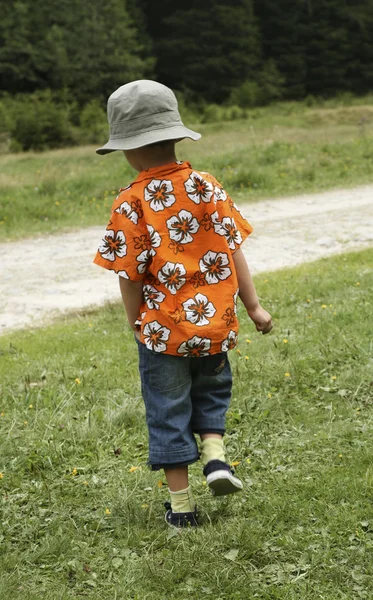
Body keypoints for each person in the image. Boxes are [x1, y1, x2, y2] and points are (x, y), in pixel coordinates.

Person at [94, 80, 272, 527]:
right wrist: (253, 308)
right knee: (212, 391)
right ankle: (215, 457)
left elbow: (130, 277)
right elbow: (235, 252)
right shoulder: (206, 187)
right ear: (175, 135)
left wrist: (138, 323)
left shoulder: (131, 203)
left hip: (163, 334)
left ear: (127, 150)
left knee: (168, 410)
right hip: (215, 325)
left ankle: (182, 510)